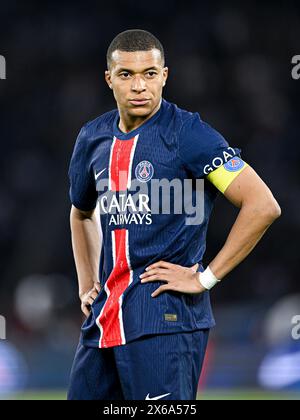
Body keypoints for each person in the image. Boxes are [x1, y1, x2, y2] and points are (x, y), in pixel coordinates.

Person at [67, 29, 281, 400]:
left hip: (166, 320)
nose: (139, 86)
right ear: (109, 79)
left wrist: (206, 277)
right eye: (126, 75)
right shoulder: (92, 138)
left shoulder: (189, 134)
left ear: (165, 76)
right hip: (105, 321)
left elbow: (262, 205)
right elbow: (81, 212)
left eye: (150, 74)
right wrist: (87, 284)